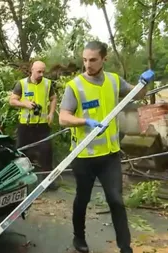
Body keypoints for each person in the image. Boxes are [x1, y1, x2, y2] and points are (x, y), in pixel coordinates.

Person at [59, 40, 154, 253]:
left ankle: (125, 247)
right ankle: (79, 237)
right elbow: (63, 118)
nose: (87, 64)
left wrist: (143, 83)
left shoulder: (113, 81)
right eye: (84, 60)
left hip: (110, 156)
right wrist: (85, 121)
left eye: (93, 60)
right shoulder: (75, 86)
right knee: (82, 199)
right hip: (83, 155)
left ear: (104, 59)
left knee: (116, 201)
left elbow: (138, 95)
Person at [9, 60, 58, 190]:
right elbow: (12, 101)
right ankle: (20, 182)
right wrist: (25, 104)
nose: (41, 74)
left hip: (42, 126)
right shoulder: (22, 84)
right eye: (39, 71)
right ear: (32, 70)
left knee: (46, 154)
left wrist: (51, 113)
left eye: (43, 71)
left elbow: (53, 98)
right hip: (25, 126)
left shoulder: (48, 84)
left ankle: (48, 183)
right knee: (21, 154)